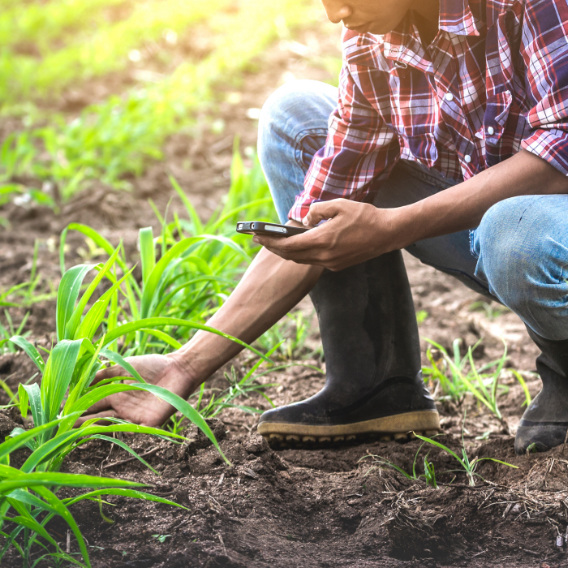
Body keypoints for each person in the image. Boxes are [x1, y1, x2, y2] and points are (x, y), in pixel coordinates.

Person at [83, 0, 568, 455]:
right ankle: (373, 386)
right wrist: (182, 367)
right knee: (296, 117)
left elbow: (558, 155)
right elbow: (314, 216)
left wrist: (392, 226)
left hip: (542, 231)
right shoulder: (371, 37)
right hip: (487, 229)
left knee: (515, 233)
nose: (335, 13)